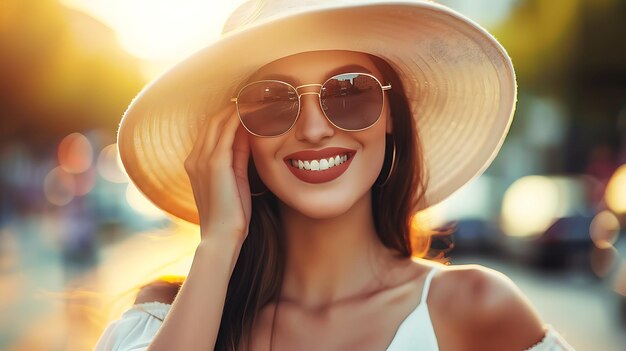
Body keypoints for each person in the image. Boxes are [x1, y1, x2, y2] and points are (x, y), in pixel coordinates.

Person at [95, 1, 576, 350]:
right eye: (272, 101)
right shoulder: (168, 317)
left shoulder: (474, 310)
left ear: (393, 115)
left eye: (349, 92)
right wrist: (218, 243)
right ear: (236, 136)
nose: (313, 129)